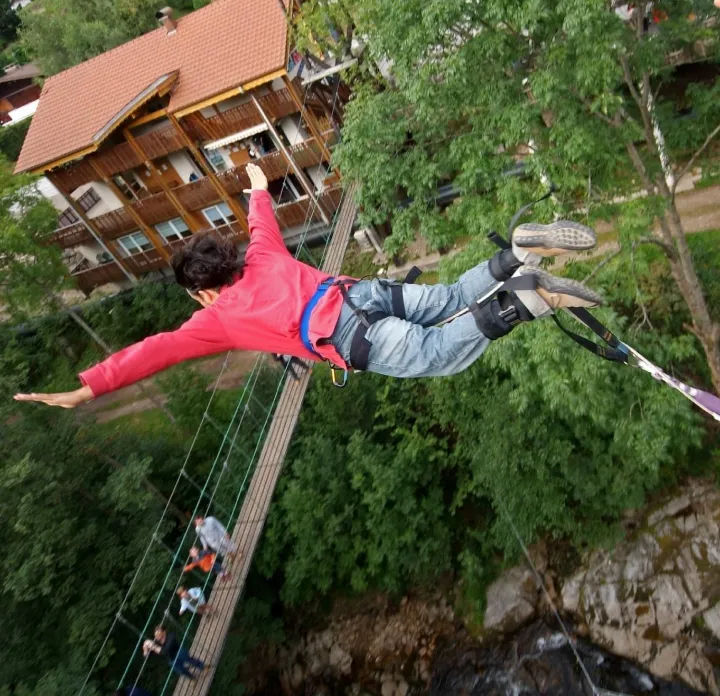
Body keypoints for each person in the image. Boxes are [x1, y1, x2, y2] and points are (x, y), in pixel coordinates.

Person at [13, 163, 601, 410]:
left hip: (347, 338)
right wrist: (255, 183)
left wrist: (85, 391)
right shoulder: (262, 252)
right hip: (361, 293)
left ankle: (525, 298)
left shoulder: (214, 320)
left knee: (440, 355)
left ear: (203, 292)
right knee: (447, 299)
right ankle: (515, 254)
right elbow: (261, 213)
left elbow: (152, 353)